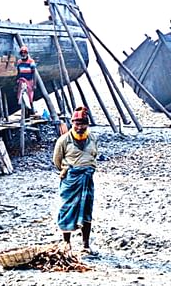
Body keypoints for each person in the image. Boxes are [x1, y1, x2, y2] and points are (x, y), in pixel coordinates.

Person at [53, 106, 98, 254]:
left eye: (82, 124)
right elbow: (57, 161)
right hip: (70, 181)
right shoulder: (64, 140)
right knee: (67, 209)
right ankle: (67, 243)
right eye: (76, 124)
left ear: (87, 124)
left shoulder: (92, 138)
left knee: (86, 211)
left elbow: (94, 155)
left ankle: (85, 245)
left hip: (87, 180)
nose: (79, 127)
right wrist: (68, 170)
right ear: (72, 124)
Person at [15, 45, 36, 113]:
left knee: (30, 97)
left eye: (24, 52)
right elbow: (18, 73)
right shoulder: (19, 62)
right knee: (22, 97)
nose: (23, 54)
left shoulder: (31, 61)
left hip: (29, 81)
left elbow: (34, 73)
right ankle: (25, 113)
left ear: (27, 53)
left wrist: (34, 84)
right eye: (22, 53)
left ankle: (30, 111)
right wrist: (16, 83)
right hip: (21, 80)